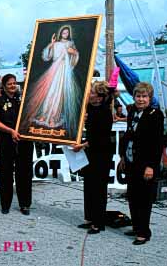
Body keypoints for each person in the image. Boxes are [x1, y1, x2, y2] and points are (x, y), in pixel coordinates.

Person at [119, 82, 164, 245]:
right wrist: (123, 157)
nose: (141, 99)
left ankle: (144, 232)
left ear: (150, 98)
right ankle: (136, 226)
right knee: (133, 196)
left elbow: (157, 143)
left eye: (144, 96)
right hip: (131, 162)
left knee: (144, 199)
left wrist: (151, 166)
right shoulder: (132, 113)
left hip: (145, 164)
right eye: (138, 96)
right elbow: (128, 136)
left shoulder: (155, 115)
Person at [20, 25, 81, 139]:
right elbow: (47, 57)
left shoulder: (70, 44)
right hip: (53, 70)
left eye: (67, 33)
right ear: (60, 33)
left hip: (63, 72)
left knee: (58, 94)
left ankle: (53, 116)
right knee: (49, 92)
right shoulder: (56, 44)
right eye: (64, 32)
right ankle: (45, 114)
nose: (65, 34)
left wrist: (74, 53)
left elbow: (75, 57)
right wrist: (51, 44)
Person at [73, 81, 113, 234]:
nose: (89, 94)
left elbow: (101, 138)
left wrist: (82, 145)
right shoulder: (90, 107)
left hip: (101, 154)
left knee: (98, 188)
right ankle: (89, 218)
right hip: (90, 153)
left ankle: (99, 222)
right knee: (88, 186)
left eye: (92, 92)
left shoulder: (105, 112)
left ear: (100, 97)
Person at [0, 74, 34, 215]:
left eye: (14, 83)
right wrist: (11, 131)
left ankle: (25, 204)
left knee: (25, 173)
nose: (12, 86)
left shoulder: (22, 99)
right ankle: (5, 204)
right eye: (9, 83)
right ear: (3, 85)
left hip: (24, 141)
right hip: (5, 140)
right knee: (5, 173)